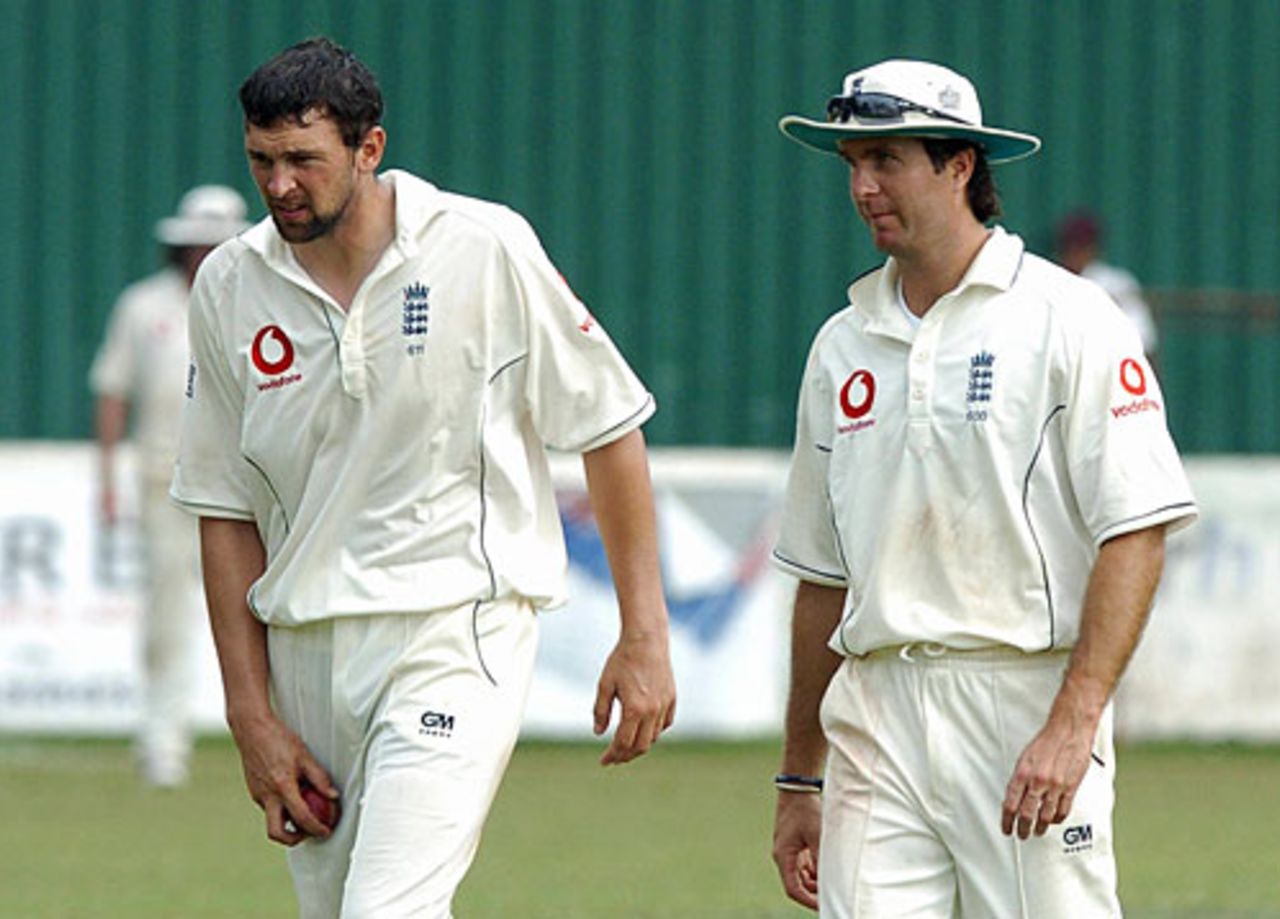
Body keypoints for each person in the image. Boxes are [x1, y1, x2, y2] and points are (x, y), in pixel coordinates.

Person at [170, 37, 676, 918]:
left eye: (303, 160)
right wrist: (250, 717)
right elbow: (223, 508)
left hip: (456, 627)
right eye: (261, 160)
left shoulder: (483, 245)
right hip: (305, 651)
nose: (279, 184)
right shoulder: (227, 284)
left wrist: (645, 634)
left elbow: (610, 424)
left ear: (370, 151)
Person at [768, 59, 1197, 916]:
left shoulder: (1068, 318)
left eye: (886, 159)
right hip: (878, 714)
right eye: (852, 163)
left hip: (1021, 704)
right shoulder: (841, 345)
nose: (862, 185)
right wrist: (797, 775)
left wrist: (1073, 722)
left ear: (959, 165)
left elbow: (1135, 529)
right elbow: (823, 577)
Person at [89, 185, 250, 787]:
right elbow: (113, 387)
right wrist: (107, 478)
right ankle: (163, 742)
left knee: (257, 611)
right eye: (197, 245)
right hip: (163, 479)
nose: (205, 255)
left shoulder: (260, 300)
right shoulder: (143, 306)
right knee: (167, 614)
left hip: (243, 487)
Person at [1056, 210, 1159, 357]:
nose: (1074, 253)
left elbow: (1144, 340)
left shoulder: (1116, 284)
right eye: (1068, 247)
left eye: (1081, 246)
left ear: (1093, 248)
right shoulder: (1055, 286)